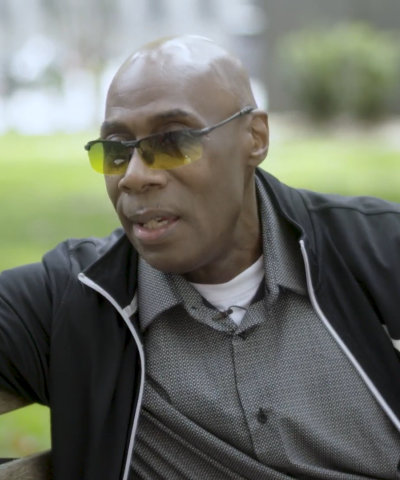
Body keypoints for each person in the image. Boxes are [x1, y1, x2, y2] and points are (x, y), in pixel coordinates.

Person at [0, 34, 400, 480]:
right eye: (116, 149)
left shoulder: (378, 253)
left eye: (172, 141)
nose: (134, 177)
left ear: (255, 138)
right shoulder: (82, 299)